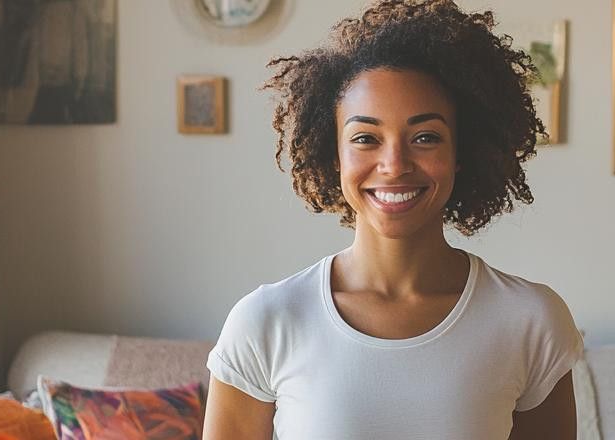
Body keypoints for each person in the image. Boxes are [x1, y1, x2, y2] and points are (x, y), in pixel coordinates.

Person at [202, 1, 583, 439]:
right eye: (366, 138)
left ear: (462, 153)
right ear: (335, 156)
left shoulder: (530, 319)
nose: (394, 164)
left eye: (425, 137)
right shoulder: (266, 321)